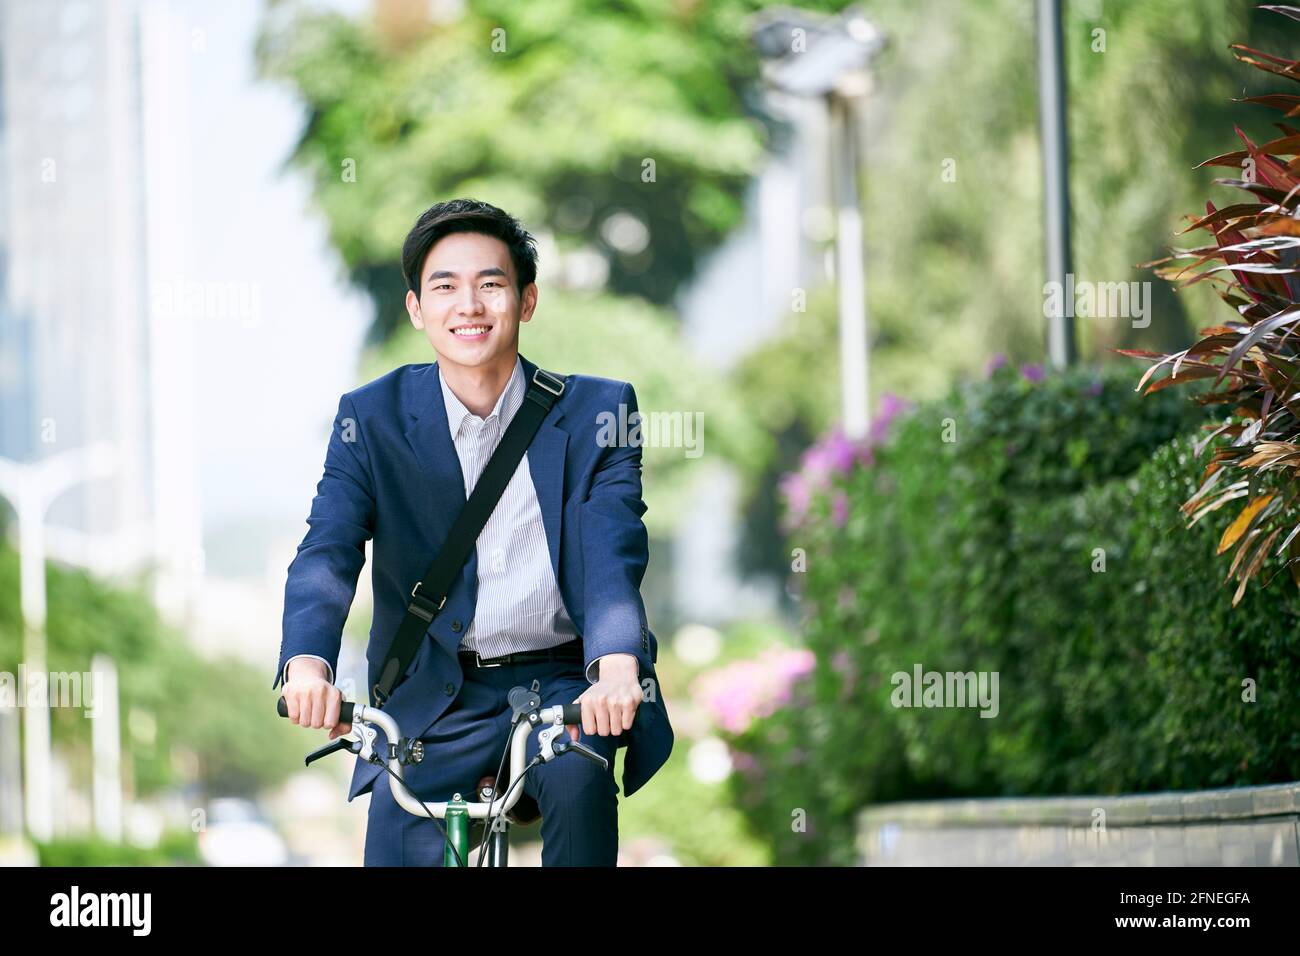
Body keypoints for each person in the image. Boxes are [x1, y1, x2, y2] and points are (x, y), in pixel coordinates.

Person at [274, 198, 673, 866]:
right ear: (415, 309)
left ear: (528, 299)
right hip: (431, 700)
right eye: (445, 287)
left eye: (491, 284)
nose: (470, 305)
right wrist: (308, 664)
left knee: (578, 785)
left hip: (560, 690)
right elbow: (329, 548)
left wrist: (616, 670)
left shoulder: (598, 410)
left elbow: (612, 549)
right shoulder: (371, 420)